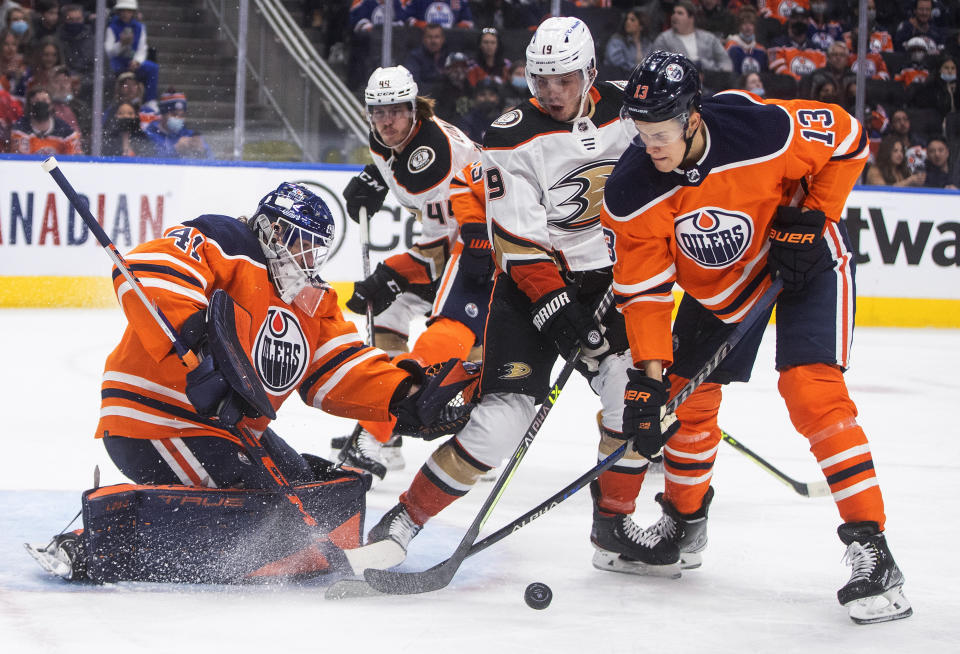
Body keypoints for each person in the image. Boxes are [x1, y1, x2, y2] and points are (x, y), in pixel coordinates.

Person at [356, 16, 677, 577]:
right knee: (500, 421)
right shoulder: (509, 135)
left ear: (591, 72)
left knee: (632, 401)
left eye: (565, 79)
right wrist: (555, 307)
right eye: (541, 78)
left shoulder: (634, 108)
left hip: (611, 283)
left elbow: (691, 145)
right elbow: (519, 240)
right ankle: (402, 524)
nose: (551, 92)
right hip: (530, 287)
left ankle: (614, 524)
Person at [30, 181, 477, 582]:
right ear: (271, 228)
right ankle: (95, 543)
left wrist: (403, 397)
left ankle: (243, 551)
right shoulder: (228, 241)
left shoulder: (309, 301)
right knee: (267, 511)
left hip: (228, 430)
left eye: (315, 249)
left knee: (305, 497)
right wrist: (197, 335)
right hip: (155, 418)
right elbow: (151, 265)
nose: (306, 258)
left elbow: (338, 366)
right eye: (299, 242)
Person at [601, 51, 911, 624]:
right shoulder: (631, 191)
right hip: (720, 290)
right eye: (641, 133)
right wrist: (649, 382)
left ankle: (873, 549)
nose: (652, 147)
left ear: (694, 117)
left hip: (806, 263)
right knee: (683, 401)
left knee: (810, 390)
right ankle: (683, 528)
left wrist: (815, 214)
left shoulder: (760, 128)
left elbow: (850, 138)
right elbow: (644, 295)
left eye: (663, 132)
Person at [332, 65, 492, 482]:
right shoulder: (392, 140)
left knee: (455, 333)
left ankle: (468, 432)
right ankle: (387, 427)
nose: (386, 121)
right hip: (454, 242)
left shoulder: (432, 157)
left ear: (414, 108)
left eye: (396, 111)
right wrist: (376, 177)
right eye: (377, 111)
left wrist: (392, 273)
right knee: (385, 314)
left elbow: (439, 248)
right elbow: (433, 234)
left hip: (483, 244)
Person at [652, 1, 732, 74]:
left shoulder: (709, 38)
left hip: (709, 82)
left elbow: (726, 64)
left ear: (691, 18)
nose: (674, 16)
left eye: (680, 13)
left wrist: (706, 69)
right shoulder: (663, 39)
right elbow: (656, 65)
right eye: (673, 13)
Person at [104, 0, 160, 105]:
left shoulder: (140, 27)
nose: (126, 14)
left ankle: (150, 101)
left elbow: (142, 48)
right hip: (117, 62)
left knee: (153, 68)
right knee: (110, 73)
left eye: (129, 11)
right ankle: (112, 103)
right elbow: (109, 52)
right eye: (123, 11)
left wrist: (137, 61)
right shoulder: (112, 27)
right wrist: (121, 44)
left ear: (133, 12)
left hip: (133, 62)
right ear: (119, 12)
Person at [8, 86, 82, 154]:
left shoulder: (65, 130)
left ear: (51, 105)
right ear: (30, 105)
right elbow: (20, 158)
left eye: (44, 100)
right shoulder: (21, 128)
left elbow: (75, 157)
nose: (41, 104)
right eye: (37, 101)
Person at [144, 90, 211, 159]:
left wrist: (202, 151)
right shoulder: (149, 135)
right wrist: (175, 149)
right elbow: (146, 158)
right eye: (174, 114)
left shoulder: (190, 135)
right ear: (163, 114)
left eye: (181, 115)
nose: (178, 118)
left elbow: (210, 160)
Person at [604, 7, 654, 79]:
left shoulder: (647, 43)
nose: (628, 22)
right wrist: (638, 69)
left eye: (632, 20)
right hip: (619, 79)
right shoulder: (616, 40)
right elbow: (617, 64)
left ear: (641, 26)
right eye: (627, 19)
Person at [403, 23, 448, 89]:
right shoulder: (415, 57)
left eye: (437, 37)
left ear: (442, 39)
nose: (433, 41)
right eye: (429, 37)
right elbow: (413, 83)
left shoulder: (449, 55)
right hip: (424, 97)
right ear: (423, 39)